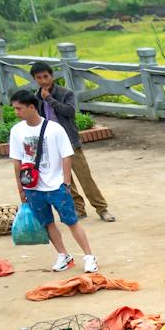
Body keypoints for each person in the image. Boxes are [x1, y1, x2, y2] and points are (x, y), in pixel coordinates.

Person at [8, 87, 98, 274]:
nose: (16, 112)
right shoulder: (16, 131)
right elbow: (17, 161)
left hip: (56, 185)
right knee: (47, 222)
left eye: (19, 108)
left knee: (71, 221)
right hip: (33, 186)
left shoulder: (55, 129)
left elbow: (67, 156)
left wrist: (66, 183)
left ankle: (89, 256)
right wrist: (21, 187)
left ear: (31, 107)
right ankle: (63, 255)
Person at [29, 61, 112, 223]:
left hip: (70, 142)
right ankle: (78, 209)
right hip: (51, 145)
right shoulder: (35, 98)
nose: (43, 80)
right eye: (39, 78)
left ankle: (102, 209)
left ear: (52, 76)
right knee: (66, 180)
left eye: (46, 76)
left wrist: (50, 99)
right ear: (34, 79)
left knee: (85, 177)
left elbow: (69, 112)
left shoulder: (65, 93)